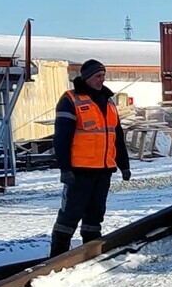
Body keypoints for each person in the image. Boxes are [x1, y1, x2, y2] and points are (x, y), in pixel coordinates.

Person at [50, 59, 131, 257]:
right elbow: (61, 138)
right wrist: (65, 169)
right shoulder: (70, 100)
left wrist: (124, 165)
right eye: (97, 76)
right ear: (86, 78)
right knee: (70, 215)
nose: (101, 80)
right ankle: (56, 257)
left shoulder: (108, 102)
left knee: (95, 215)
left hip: (103, 171)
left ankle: (90, 253)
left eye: (103, 76)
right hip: (79, 171)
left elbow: (116, 137)